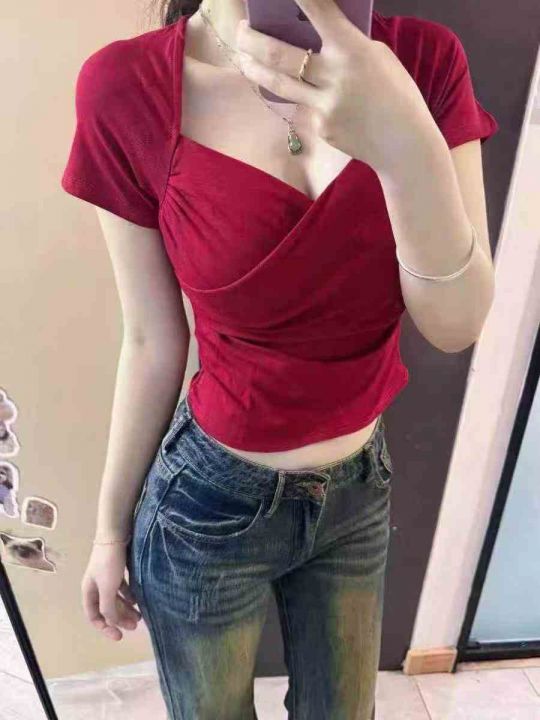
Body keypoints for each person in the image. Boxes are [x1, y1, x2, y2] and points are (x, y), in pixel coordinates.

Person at [60, 0, 499, 717]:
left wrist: (406, 147)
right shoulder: (127, 87)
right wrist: (109, 530)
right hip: (208, 505)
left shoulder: (424, 64)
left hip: (357, 495)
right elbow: (149, 338)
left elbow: (456, 326)